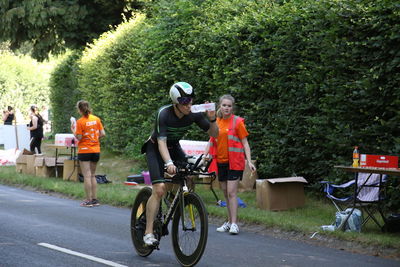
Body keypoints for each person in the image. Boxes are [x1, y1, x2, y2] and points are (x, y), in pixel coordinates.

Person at [142, 82, 219, 246]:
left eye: (191, 100)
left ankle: (173, 201)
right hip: (155, 148)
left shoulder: (194, 113)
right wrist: (169, 162)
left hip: (174, 146)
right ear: (175, 102)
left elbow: (214, 133)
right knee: (159, 189)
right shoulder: (163, 113)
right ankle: (148, 232)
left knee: (188, 175)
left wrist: (212, 118)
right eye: (185, 101)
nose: (189, 105)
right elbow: (161, 142)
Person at [204, 94, 256, 235]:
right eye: (224, 105)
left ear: (232, 107)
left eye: (229, 105)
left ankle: (234, 224)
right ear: (220, 106)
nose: (226, 108)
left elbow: (245, 143)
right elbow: (211, 140)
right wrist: (205, 154)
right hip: (220, 162)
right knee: (226, 193)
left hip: (235, 162)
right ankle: (228, 221)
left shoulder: (237, 122)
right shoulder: (217, 121)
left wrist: (249, 161)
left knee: (232, 193)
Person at [71, 100, 105, 207]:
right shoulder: (96, 119)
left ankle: (88, 200)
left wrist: (73, 130)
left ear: (79, 109)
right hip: (95, 150)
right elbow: (103, 134)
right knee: (93, 175)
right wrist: (93, 139)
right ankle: (95, 199)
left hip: (85, 150)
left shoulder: (80, 122)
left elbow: (79, 137)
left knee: (87, 175)